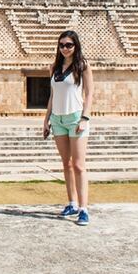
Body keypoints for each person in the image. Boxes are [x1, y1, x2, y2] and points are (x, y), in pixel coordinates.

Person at [41, 30, 94, 226]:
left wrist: (84, 118)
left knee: (79, 165)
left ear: (76, 46)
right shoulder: (54, 67)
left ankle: (83, 208)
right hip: (57, 119)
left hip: (76, 118)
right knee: (67, 164)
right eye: (62, 45)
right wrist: (46, 120)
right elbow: (52, 96)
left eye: (69, 45)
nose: (65, 48)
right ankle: (71, 202)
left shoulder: (83, 66)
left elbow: (89, 94)